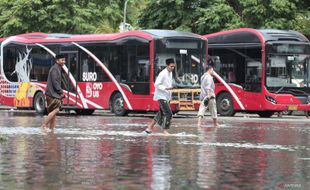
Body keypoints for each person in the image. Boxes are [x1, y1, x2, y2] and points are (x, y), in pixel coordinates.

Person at [144, 58, 175, 135]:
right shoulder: (163, 73)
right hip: (161, 96)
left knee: (160, 113)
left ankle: (149, 127)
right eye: (171, 66)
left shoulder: (170, 73)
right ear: (167, 65)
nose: (172, 68)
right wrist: (166, 88)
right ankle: (165, 130)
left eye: (173, 66)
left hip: (166, 95)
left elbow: (168, 84)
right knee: (169, 113)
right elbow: (156, 84)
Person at [41, 54, 66, 131]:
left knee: (53, 112)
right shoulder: (55, 69)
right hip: (51, 94)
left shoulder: (58, 68)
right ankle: (44, 125)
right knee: (56, 110)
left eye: (64, 60)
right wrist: (61, 92)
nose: (63, 61)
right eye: (62, 60)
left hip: (53, 94)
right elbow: (55, 82)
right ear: (57, 61)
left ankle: (51, 129)